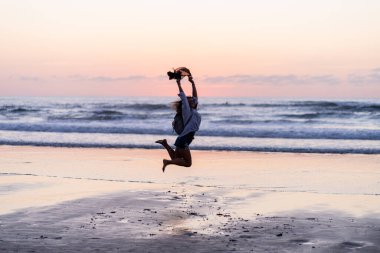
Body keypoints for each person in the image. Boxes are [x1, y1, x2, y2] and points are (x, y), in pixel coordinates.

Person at [155, 75, 201, 172]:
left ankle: (165, 144)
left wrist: (192, 83)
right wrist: (178, 83)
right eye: (190, 100)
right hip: (185, 138)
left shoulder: (193, 109)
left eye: (193, 100)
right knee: (188, 163)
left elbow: (195, 97)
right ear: (186, 104)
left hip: (185, 138)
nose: (193, 100)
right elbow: (184, 97)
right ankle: (167, 162)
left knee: (176, 157)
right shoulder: (187, 111)